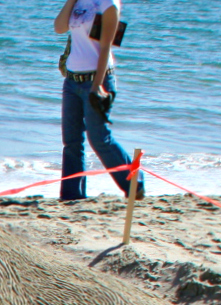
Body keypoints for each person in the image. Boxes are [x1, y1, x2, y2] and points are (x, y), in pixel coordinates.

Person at [54, 0, 144, 200]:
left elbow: (105, 47)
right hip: (72, 80)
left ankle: (134, 183)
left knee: (98, 137)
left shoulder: (108, 3)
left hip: (97, 79)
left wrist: (97, 86)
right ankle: (72, 195)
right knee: (71, 141)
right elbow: (59, 28)